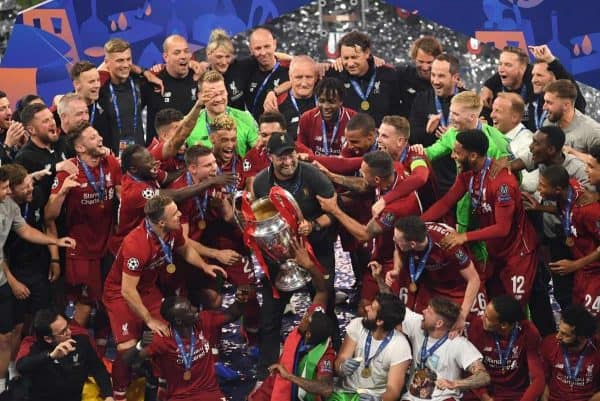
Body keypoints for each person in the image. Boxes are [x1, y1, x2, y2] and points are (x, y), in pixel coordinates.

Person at [101, 195, 227, 400]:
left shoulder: (172, 230)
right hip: (121, 293)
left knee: (167, 335)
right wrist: (149, 320)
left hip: (147, 288)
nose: (179, 215)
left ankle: (163, 383)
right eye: (175, 213)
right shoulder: (136, 244)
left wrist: (204, 265)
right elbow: (127, 290)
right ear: (161, 222)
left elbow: (184, 248)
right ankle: (119, 394)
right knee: (126, 349)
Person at [253, 132, 338, 382]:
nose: (287, 161)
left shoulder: (314, 176)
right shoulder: (261, 183)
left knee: (326, 307)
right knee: (270, 316)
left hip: (317, 250)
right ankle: (265, 374)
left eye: (290, 154)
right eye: (281, 157)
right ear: (270, 158)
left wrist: (313, 226)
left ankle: (331, 365)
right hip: (280, 255)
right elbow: (263, 220)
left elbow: (333, 212)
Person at [422, 130, 538, 305]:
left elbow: (502, 228)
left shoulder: (502, 183)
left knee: (513, 309)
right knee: (493, 304)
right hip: (495, 252)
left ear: (473, 155)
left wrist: (464, 237)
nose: (452, 156)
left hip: (517, 252)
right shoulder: (467, 174)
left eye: (457, 152)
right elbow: (446, 203)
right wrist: (418, 222)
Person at [0, 165, 76, 394]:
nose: (6, 192)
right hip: (9, 274)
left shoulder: (9, 205)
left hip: (1, 281)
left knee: (8, 333)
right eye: (4, 188)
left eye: (6, 188)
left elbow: (25, 230)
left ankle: (4, 381)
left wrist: (55, 242)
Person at [316, 151, 421, 314]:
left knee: (390, 314)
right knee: (363, 310)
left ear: (377, 180)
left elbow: (364, 234)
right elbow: (365, 185)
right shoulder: (393, 170)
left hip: (398, 261)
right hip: (379, 254)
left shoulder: (397, 208)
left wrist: (334, 210)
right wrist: (331, 176)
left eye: (363, 173)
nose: (361, 175)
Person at [45, 121, 121, 329]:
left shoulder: (111, 163)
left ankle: (101, 342)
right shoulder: (69, 170)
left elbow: (122, 197)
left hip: (108, 246)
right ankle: (75, 345)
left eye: (98, 135)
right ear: (80, 147)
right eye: (93, 137)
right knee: (84, 305)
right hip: (81, 250)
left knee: (111, 298)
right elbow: (49, 215)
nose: (100, 140)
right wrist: (62, 193)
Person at [249, 238, 335, 401]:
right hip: (276, 383)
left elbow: (326, 388)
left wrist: (289, 377)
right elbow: (322, 290)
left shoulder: (325, 356)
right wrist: (309, 265)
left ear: (308, 335)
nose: (303, 316)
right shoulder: (316, 317)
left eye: (305, 319)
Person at [125, 292, 249, 401]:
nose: (195, 309)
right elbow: (129, 361)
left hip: (210, 393)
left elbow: (231, 315)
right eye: (189, 309)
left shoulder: (204, 320)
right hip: (180, 397)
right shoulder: (163, 339)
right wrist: (140, 345)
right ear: (179, 321)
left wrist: (240, 300)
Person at [390, 216, 482, 332]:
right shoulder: (408, 237)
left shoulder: (448, 244)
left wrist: (462, 316)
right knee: (421, 328)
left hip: (456, 289)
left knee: (454, 330)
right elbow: (398, 250)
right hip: (430, 285)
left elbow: (474, 279)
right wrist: (396, 269)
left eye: (397, 239)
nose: (393, 239)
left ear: (413, 244)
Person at [535, 165, 600, 317]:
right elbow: (566, 210)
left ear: (557, 189)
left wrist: (575, 265)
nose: (539, 189)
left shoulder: (589, 210)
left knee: (591, 321)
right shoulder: (569, 189)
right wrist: (539, 207)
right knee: (578, 318)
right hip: (582, 273)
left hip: (595, 274)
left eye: (543, 186)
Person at [401, 297, 490, 401]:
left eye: (429, 311)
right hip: (411, 398)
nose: (423, 311)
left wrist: (454, 384)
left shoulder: (458, 344)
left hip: (443, 398)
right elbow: (393, 306)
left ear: (439, 323)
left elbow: (484, 377)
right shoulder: (417, 324)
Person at [15, 309, 113, 401]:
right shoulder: (34, 347)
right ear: (48, 339)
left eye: (67, 327)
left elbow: (98, 369)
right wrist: (50, 356)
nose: (69, 332)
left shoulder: (81, 341)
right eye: (63, 332)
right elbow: (21, 366)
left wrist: (108, 395)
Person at [331, 293, 411, 401]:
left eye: (372, 308)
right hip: (345, 392)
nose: (366, 308)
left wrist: (378, 399)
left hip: (374, 396)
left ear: (379, 321)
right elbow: (340, 359)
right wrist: (342, 367)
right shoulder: (357, 325)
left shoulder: (400, 346)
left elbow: (393, 390)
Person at [468, 295, 545, 401]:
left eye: (487, 317)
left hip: (517, 394)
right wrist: (485, 397)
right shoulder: (477, 326)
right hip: (486, 393)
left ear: (503, 325)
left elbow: (538, 379)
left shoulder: (528, 331)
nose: (482, 318)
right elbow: (470, 368)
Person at [409, 53, 461, 195]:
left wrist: (454, 135)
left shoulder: (468, 101)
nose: (435, 81)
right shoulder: (421, 99)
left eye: (441, 76)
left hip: (461, 178)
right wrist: (427, 131)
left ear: (455, 78)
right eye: (433, 75)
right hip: (432, 179)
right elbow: (412, 138)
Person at [325, 31, 400, 125]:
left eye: (354, 57)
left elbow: (397, 112)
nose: (350, 63)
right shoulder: (334, 75)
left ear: (367, 53)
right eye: (346, 58)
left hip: (381, 136)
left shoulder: (387, 74)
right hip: (347, 136)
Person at [186, 70, 258, 157]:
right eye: (212, 95)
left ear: (227, 92)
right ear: (200, 96)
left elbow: (260, 154)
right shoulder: (189, 123)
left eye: (222, 92)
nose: (219, 99)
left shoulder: (245, 118)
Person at [143, 35, 199, 143]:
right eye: (177, 53)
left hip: (192, 151)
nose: (183, 56)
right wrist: (143, 71)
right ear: (165, 57)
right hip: (160, 154)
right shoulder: (153, 80)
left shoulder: (198, 77)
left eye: (186, 51)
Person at [540, 304, 600, 401]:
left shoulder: (597, 349)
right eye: (559, 330)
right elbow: (543, 380)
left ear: (582, 337)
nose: (557, 336)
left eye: (565, 334)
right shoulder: (549, 343)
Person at [527, 44, 586, 132]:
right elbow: (521, 121)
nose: (533, 80)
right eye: (533, 75)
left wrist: (551, 60)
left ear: (554, 77)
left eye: (539, 75)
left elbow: (570, 84)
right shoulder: (532, 103)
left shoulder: (568, 104)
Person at [490, 92, 537, 192]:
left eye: (497, 111)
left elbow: (532, 184)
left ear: (514, 117)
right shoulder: (493, 135)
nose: (491, 115)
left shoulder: (528, 141)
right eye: (492, 110)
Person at [297, 77, 356, 156]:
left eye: (331, 102)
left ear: (341, 101)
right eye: (321, 101)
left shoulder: (353, 120)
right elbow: (301, 149)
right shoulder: (307, 118)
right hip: (314, 167)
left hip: (344, 167)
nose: (326, 106)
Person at [148, 97, 205, 173]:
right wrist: (198, 105)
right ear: (164, 136)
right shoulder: (153, 153)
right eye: (178, 129)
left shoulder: (184, 151)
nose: (184, 133)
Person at [543, 79, 600, 154]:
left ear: (566, 105)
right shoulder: (548, 123)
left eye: (549, 103)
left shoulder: (592, 132)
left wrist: (573, 154)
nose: (544, 107)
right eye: (545, 101)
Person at [245, 27, 290, 120]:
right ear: (251, 49)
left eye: (267, 46)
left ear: (274, 44)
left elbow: (299, 80)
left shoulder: (288, 70)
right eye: (258, 48)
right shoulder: (246, 70)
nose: (263, 52)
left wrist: (274, 92)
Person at [480, 46, 533, 125]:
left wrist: (488, 84)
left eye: (508, 65)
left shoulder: (534, 87)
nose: (501, 69)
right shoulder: (492, 93)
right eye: (500, 64)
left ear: (523, 68)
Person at [269, 55, 318, 139]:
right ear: (290, 77)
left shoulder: (326, 102)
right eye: (298, 77)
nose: (304, 83)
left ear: (316, 77)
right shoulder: (277, 106)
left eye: (309, 77)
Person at [396, 36, 442, 117]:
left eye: (429, 62)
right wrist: (374, 60)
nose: (425, 67)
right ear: (414, 58)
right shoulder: (403, 74)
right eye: (420, 61)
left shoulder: (445, 82)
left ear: (437, 59)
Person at [242, 111, 286, 193]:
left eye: (274, 134)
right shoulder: (252, 156)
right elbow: (252, 190)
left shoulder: (296, 150)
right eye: (264, 135)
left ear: (284, 133)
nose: (269, 139)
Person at [0, 91, 27, 164]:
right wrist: (8, 145)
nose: (9, 113)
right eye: (2, 109)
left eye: (9, 107)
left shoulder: (12, 133)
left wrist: (25, 146)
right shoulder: (10, 138)